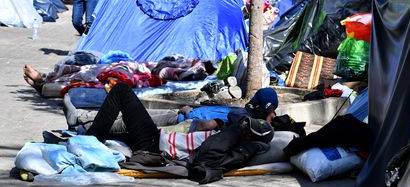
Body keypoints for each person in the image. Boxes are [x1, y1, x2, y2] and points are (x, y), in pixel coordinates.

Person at [82, 82, 274, 155]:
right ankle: (85, 128)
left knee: (121, 90)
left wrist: (211, 122)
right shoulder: (241, 131)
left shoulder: (238, 123)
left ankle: (89, 139)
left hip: (155, 143)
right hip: (158, 140)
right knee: (119, 132)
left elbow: (220, 120)